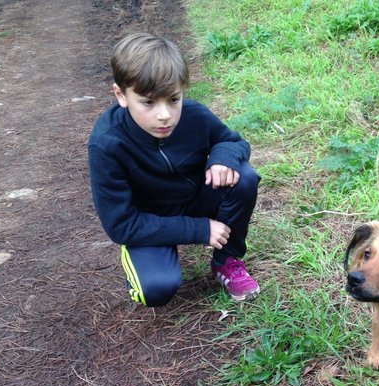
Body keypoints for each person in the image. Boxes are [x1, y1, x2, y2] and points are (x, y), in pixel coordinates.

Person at [88, 32, 260, 305]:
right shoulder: (107, 144)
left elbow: (232, 140)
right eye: (148, 102)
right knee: (155, 290)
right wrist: (199, 230)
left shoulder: (195, 116)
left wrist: (222, 158)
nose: (164, 114)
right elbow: (120, 225)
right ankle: (142, 259)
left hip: (194, 199)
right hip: (149, 221)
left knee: (244, 177)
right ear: (121, 95)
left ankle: (227, 261)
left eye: (173, 99)